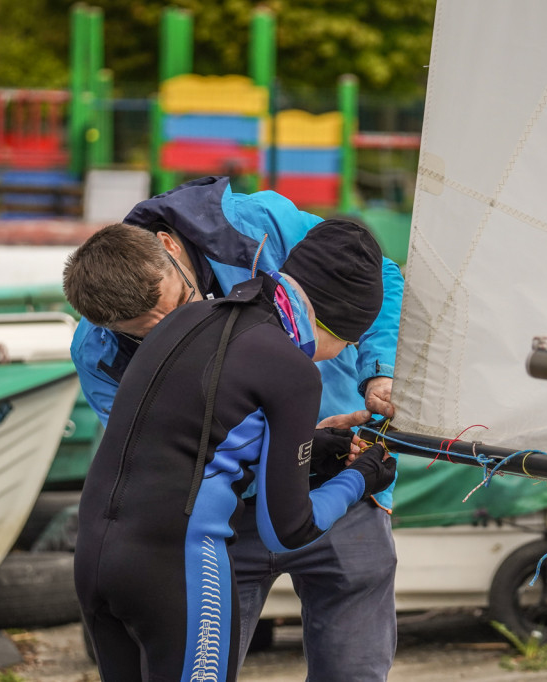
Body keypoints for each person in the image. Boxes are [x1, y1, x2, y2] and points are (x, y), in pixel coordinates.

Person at [65, 176, 403, 680]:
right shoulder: (98, 353)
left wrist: (378, 370)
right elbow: (168, 462)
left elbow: (375, 274)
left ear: (168, 247)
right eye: (147, 335)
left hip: (333, 481)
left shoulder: (254, 225)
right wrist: (314, 451)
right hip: (221, 527)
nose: (178, 335)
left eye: (178, 307)